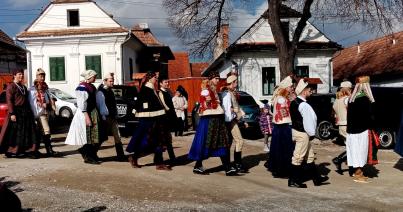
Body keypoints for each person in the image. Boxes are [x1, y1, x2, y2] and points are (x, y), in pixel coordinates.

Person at [188, 71, 237, 176]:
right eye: (216, 78)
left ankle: (227, 167)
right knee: (206, 143)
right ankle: (198, 166)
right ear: (210, 79)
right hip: (209, 120)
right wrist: (209, 102)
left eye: (218, 78)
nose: (218, 80)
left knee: (222, 142)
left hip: (217, 120)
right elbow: (204, 104)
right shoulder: (206, 90)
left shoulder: (214, 90)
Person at [126, 72, 172, 171]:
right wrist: (135, 112)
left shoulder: (153, 90)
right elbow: (139, 103)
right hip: (148, 120)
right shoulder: (146, 90)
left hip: (157, 119)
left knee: (158, 141)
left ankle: (159, 162)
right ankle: (134, 157)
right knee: (145, 140)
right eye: (155, 77)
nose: (156, 79)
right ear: (150, 79)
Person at [288, 79, 329, 188]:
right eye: (310, 90)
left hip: (298, 131)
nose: (311, 92)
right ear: (304, 91)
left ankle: (317, 179)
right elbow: (308, 121)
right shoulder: (303, 105)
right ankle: (293, 181)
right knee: (298, 157)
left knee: (310, 156)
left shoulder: (295, 102)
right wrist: (311, 133)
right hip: (302, 134)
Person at [0, 69, 38, 159]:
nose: (21, 76)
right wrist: (12, 113)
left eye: (22, 74)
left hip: (25, 112)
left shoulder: (23, 87)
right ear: (14, 75)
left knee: (27, 132)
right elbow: (9, 101)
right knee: (15, 133)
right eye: (19, 74)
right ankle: (12, 150)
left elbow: (27, 101)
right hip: (16, 112)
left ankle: (27, 150)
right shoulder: (11, 86)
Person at [65, 70, 101, 165]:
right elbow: (82, 103)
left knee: (94, 136)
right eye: (94, 76)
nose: (95, 78)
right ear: (89, 77)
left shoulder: (92, 86)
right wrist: (86, 116)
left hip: (93, 112)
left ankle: (89, 153)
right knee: (88, 135)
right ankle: (88, 157)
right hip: (85, 113)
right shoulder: (82, 87)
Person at [346, 75, 375, 183]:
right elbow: (370, 116)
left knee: (354, 152)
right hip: (361, 131)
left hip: (351, 131)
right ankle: (359, 174)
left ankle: (355, 171)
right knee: (360, 152)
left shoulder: (352, 99)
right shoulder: (364, 100)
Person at [265, 76, 295, 178]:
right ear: (286, 88)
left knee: (278, 148)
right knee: (283, 149)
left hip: (279, 127)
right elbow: (283, 113)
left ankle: (278, 169)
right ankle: (281, 170)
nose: (292, 89)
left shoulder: (279, 97)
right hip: (283, 126)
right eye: (291, 87)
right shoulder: (281, 99)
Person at [28, 68, 59, 157]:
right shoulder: (32, 90)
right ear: (37, 77)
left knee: (47, 131)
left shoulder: (45, 89)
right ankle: (35, 150)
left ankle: (49, 150)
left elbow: (48, 99)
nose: (42, 78)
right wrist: (33, 116)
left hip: (43, 113)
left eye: (43, 76)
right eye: (40, 76)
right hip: (34, 114)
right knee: (36, 133)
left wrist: (49, 103)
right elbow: (31, 103)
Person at [96, 73, 125, 161]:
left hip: (112, 117)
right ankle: (91, 153)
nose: (112, 83)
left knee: (117, 136)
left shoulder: (110, 90)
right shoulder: (100, 91)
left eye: (113, 81)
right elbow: (101, 106)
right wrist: (104, 118)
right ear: (105, 81)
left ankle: (121, 156)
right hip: (105, 118)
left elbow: (113, 104)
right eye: (110, 81)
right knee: (102, 137)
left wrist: (115, 114)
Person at [222, 74, 248, 173]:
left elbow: (236, 107)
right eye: (235, 82)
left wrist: (242, 119)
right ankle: (236, 164)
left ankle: (236, 163)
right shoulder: (227, 94)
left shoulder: (232, 93)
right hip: (229, 121)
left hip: (233, 120)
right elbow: (227, 109)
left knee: (235, 142)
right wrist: (234, 110)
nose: (237, 83)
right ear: (232, 83)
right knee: (238, 141)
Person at [331, 81, 353, 174]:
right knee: (353, 148)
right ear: (348, 89)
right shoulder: (347, 99)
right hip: (348, 125)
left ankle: (350, 168)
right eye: (351, 89)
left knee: (349, 147)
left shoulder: (336, 101)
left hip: (341, 126)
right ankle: (338, 160)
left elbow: (335, 114)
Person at [158, 77, 177, 165]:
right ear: (161, 83)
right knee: (163, 139)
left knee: (168, 139)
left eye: (167, 82)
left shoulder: (168, 92)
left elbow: (171, 104)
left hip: (169, 117)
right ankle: (161, 159)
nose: (167, 83)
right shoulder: (160, 92)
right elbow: (164, 105)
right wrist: (169, 111)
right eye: (165, 82)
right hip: (164, 118)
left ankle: (172, 158)